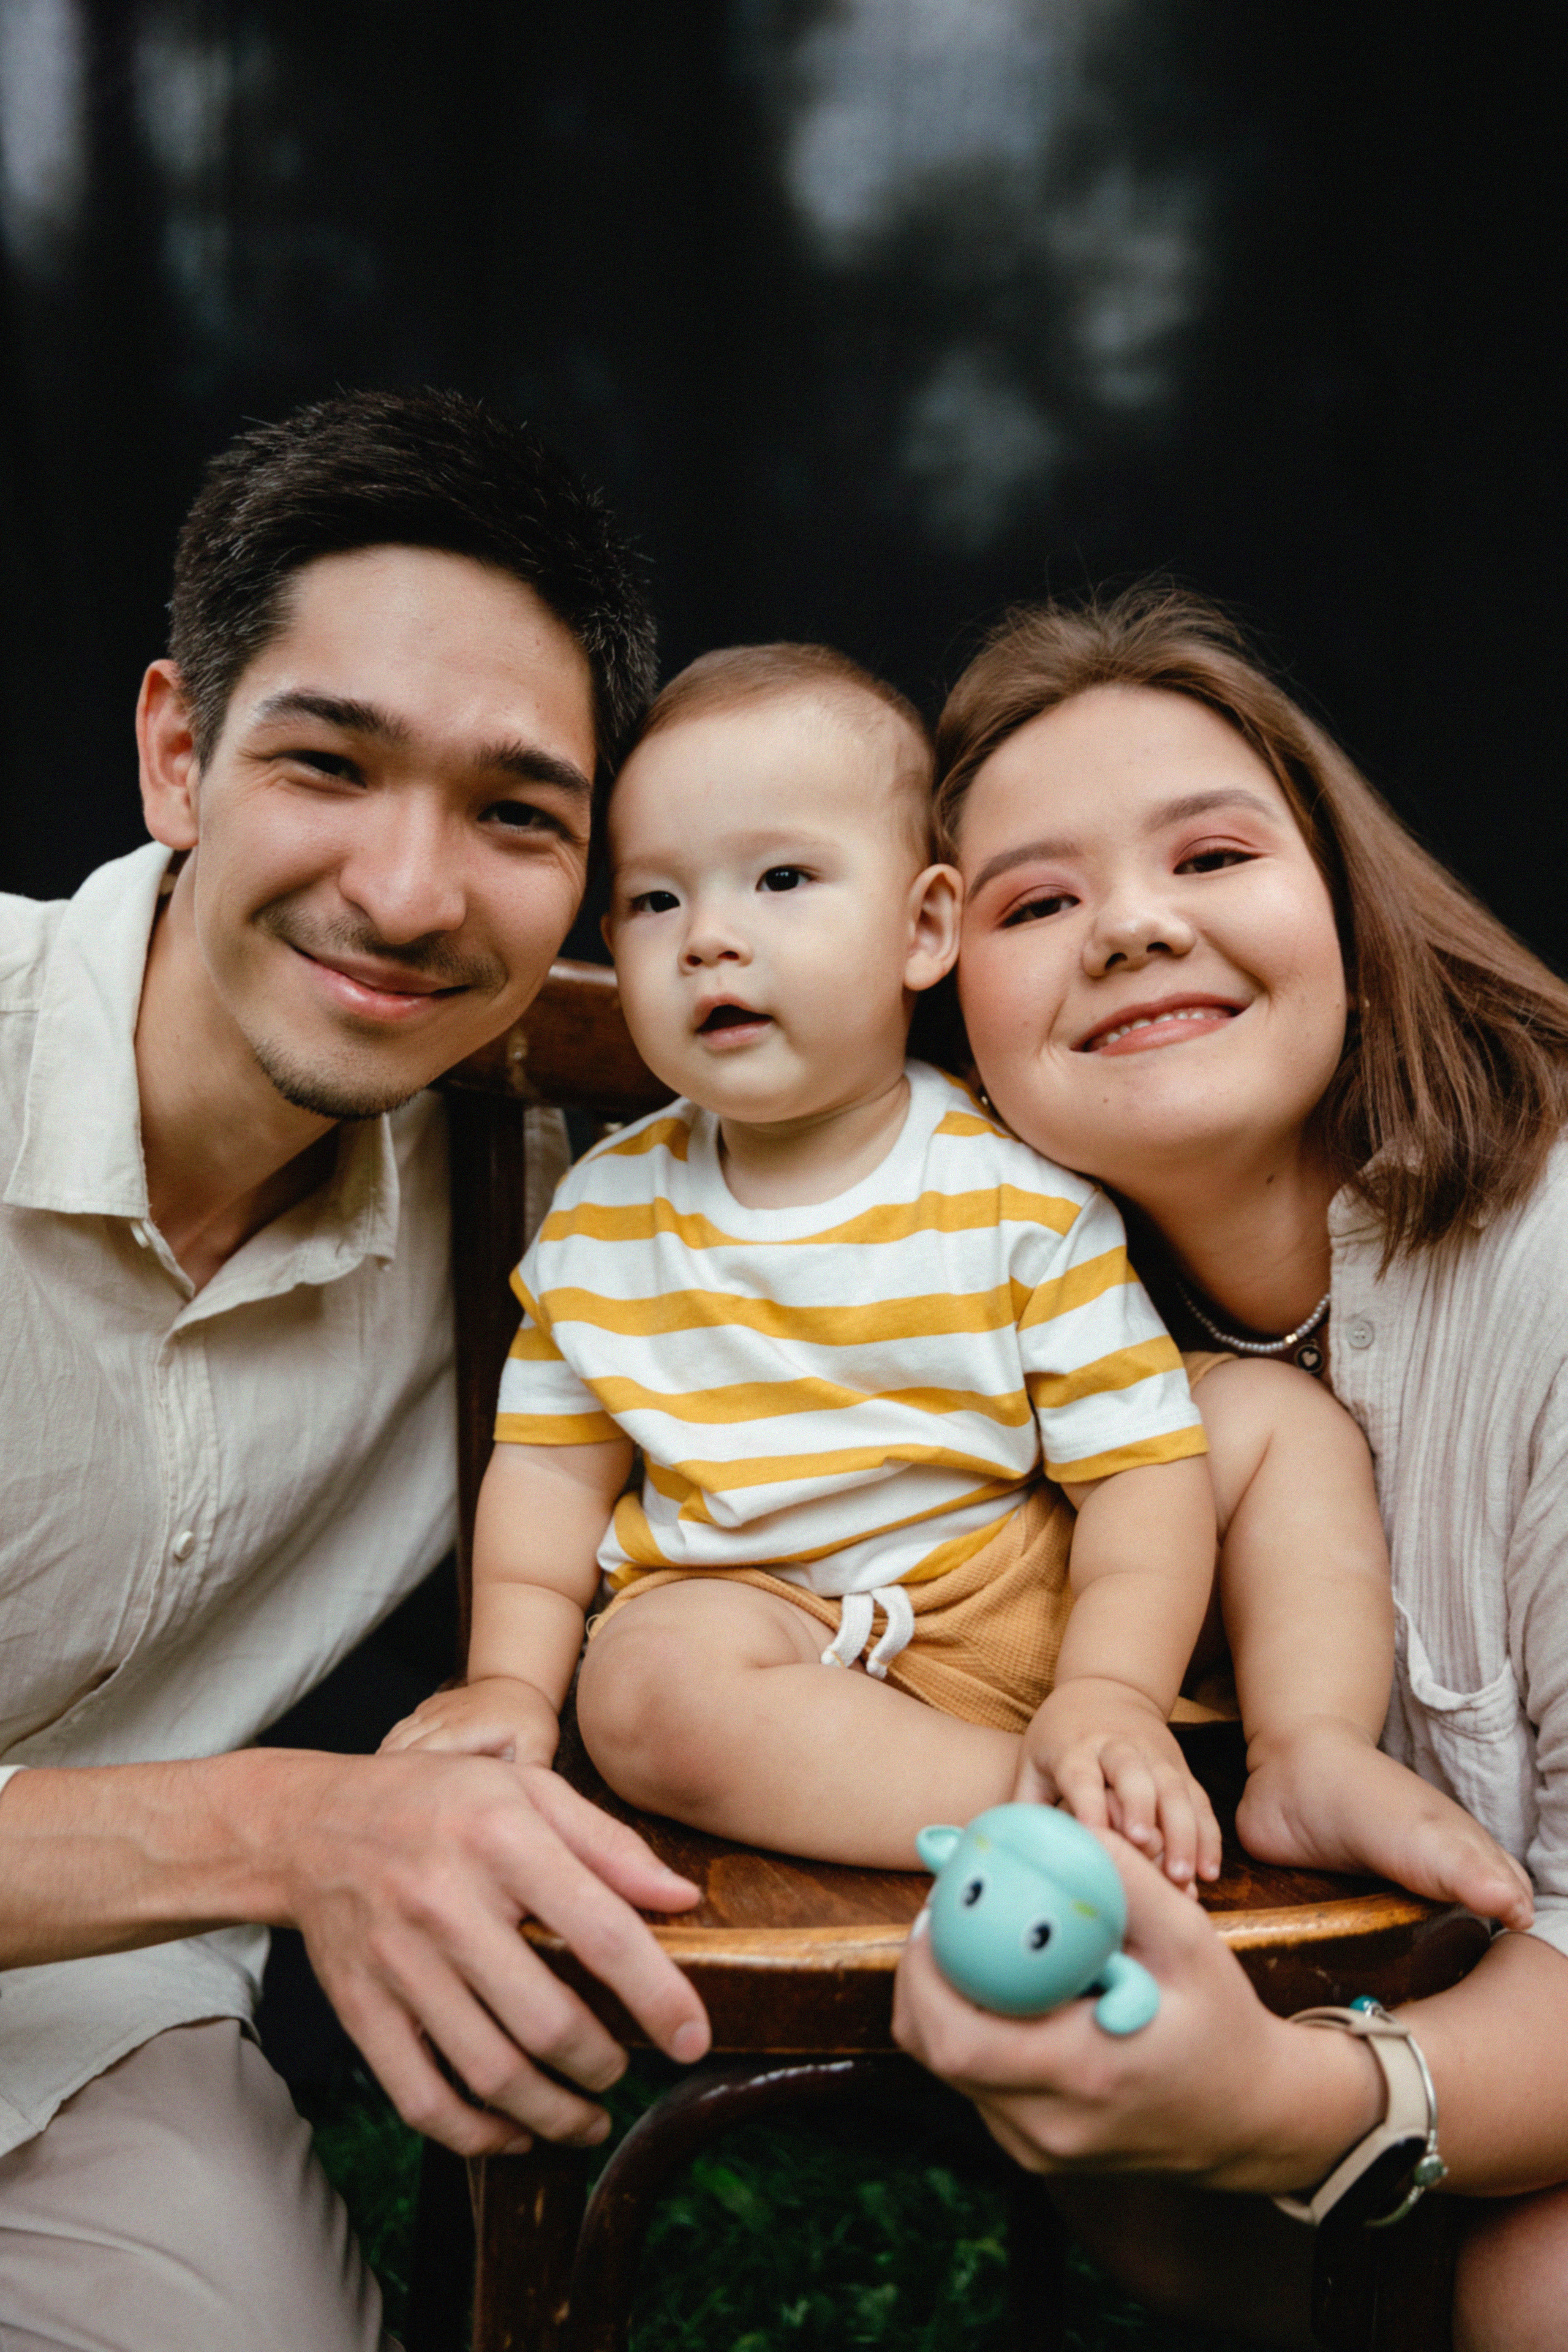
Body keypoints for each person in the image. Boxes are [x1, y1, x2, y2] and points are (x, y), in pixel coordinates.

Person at [383, 642, 1523, 1930]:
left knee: (1270, 1426)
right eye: (654, 903)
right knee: (641, 1685)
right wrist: (506, 1689)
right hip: (768, 1627)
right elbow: (543, 1476)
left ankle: (1306, 1754)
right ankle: (1048, 1820)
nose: (709, 939)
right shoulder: (598, 1224)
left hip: (1025, 1570)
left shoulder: (1014, 1195)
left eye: (780, 879)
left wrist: (1107, 1690)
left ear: (923, 927)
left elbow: (1137, 1469)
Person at [0, 389, 711, 2352]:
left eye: (514, 816)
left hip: (70, 2031)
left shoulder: (574, 1224)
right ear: (177, 754)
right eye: (332, 765)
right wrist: (303, 1834)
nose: (409, 896)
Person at [891, 584, 1568, 2352]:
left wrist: (1289, 2102)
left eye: (1210, 856)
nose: (1130, 928)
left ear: (1345, 908)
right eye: (1039, 902)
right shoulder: (1006, 1379)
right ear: (947, 1000)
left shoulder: (1553, 1271)